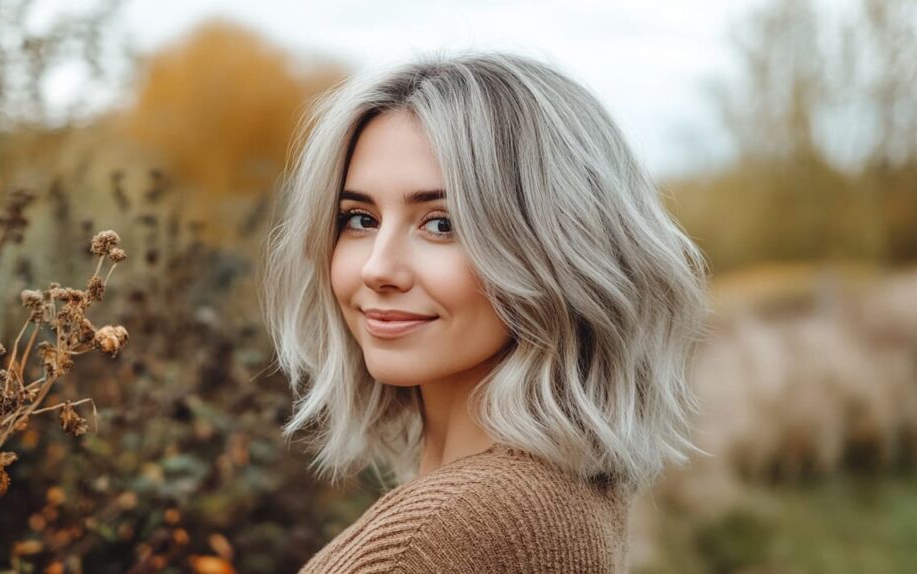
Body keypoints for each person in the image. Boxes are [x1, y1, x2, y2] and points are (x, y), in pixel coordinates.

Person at [258, 49, 711, 573]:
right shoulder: (556, 496)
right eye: (359, 219)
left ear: (555, 251)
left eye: (442, 224)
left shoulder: (457, 532)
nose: (378, 269)